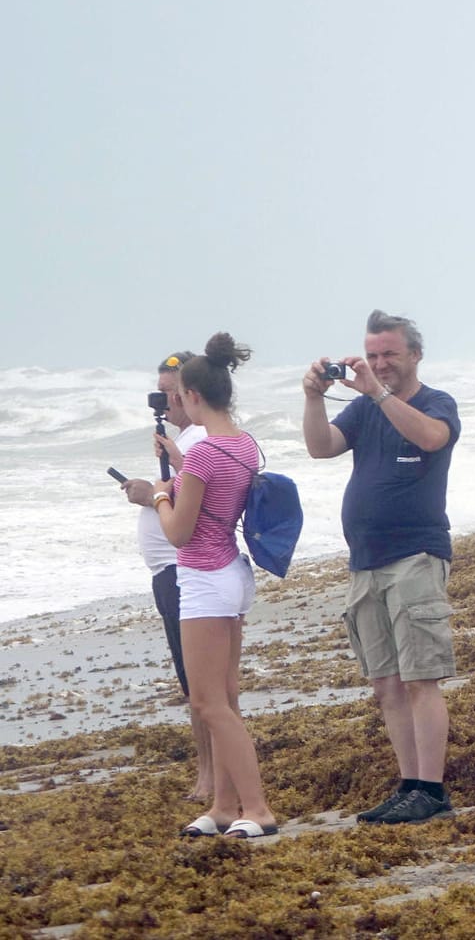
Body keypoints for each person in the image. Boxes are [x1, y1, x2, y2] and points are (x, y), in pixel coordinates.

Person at [303, 310, 463, 824]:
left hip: (415, 555)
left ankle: (432, 791)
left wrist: (377, 393)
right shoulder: (364, 408)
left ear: (415, 354)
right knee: (387, 683)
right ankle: (409, 784)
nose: (380, 363)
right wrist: (312, 397)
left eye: (390, 354)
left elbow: (432, 439)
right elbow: (320, 447)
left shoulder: (434, 403)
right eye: (372, 355)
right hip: (365, 561)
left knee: (422, 678)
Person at [147, 334, 278, 839]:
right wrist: (181, 470)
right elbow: (216, 491)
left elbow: (179, 531)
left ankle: (258, 808)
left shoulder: (202, 454)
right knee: (224, 696)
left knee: (209, 704)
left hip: (203, 577)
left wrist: (161, 495)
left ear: (194, 396)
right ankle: (224, 806)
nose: (177, 403)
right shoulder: (242, 443)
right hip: (232, 570)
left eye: (180, 395)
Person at [120, 351, 212, 800]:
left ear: (191, 390)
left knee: (199, 683)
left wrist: (151, 495)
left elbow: (203, 497)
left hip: (183, 571)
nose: (164, 400)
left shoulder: (196, 441)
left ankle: (210, 775)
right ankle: (210, 770)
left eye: (171, 391)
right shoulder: (186, 440)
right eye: (159, 391)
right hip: (170, 572)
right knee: (193, 680)